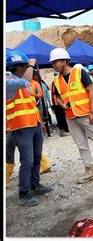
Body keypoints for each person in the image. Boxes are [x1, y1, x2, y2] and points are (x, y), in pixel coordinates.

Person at [50, 48, 93, 184]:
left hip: (86, 114)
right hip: (71, 116)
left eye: (55, 62)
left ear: (65, 61)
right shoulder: (56, 80)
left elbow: (91, 90)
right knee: (81, 144)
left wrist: (92, 112)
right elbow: (57, 97)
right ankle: (89, 169)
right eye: (53, 63)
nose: (53, 65)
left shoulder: (79, 72)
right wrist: (62, 105)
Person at [6, 50, 53, 207]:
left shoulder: (24, 82)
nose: (28, 69)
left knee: (36, 158)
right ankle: (24, 193)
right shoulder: (9, 82)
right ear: (19, 67)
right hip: (20, 128)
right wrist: (31, 64)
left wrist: (39, 123)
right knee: (27, 161)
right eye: (25, 66)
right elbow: (23, 81)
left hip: (33, 124)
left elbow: (31, 103)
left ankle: (35, 184)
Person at [51, 71, 70, 137]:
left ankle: (65, 129)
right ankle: (62, 131)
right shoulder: (55, 82)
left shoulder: (55, 82)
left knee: (62, 117)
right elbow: (54, 94)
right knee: (60, 117)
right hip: (57, 103)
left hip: (59, 102)